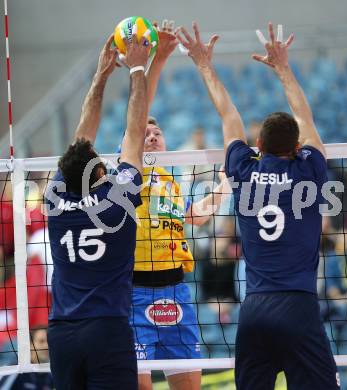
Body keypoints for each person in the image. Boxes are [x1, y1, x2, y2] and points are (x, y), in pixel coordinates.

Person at [177, 21, 340, 389]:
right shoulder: (310, 170)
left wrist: (204, 65)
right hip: (298, 306)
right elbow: (306, 120)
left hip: (255, 308)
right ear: (297, 148)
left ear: (259, 147)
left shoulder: (243, 171)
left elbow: (229, 117)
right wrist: (283, 68)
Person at [45, 31, 150, 390]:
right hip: (106, 328)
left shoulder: (55, 198)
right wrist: (138, 69)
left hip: (62, 333)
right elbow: (135, 134)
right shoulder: (116, 199)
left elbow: (81, 140)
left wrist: (100, 76)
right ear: (100, 172)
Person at [127, 21, 229, 390]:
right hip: (133, 293)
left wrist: (223, 188)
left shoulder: (171, 182)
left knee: (189, 385)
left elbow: (193, 217)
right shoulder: (130, 171)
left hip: (176, 292)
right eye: (146, 133)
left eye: (158, 133)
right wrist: (159, 58)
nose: (152, 136)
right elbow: (137, 123)